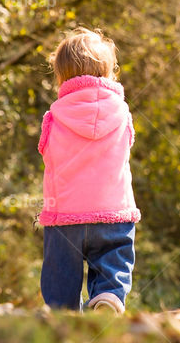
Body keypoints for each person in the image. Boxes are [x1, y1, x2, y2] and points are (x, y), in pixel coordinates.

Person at [38, 28, 141, 312]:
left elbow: (46, 153)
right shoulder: (123, 114)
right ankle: (107, 298)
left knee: (60, 277)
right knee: (112, 263)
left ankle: (62, 313)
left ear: (60, 75)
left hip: (64, 215)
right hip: (113, 213)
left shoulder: (54, 116)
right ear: (109, 72)